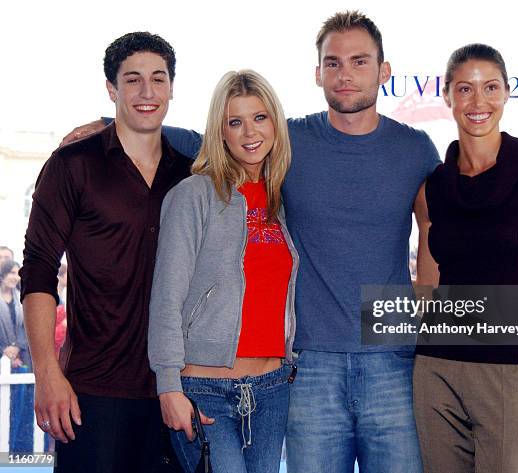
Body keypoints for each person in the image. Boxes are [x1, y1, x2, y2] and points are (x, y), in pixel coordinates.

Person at [63, 11, 440, 472]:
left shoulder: (416, 149)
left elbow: (439, 249)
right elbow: (215, 135)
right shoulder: (291, 140)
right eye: (333, 62)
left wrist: (446, 337)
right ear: (317, 71)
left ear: (384, 70)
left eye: (359, 62)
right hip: (308, 365)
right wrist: (110, 123)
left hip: (386, 360)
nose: (345, 74)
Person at [19, 32, 192, 473]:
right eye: (132, 80)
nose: (147, 92)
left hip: (176, 389)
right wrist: (46, 373)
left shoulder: (190, 174)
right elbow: (38, 270)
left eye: (158, 79)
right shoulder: (72, 165)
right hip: (92, 392)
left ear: (172, 87)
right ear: (112, 89)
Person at [412, 44, 518, 472]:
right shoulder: (433, 186)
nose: (478, 101)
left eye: (490, 87)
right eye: (465, 89)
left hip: (509, 374)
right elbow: (427, 289)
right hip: (435, 371)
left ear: (507, 93)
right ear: (447, 96)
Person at [148, 69, 298, 473]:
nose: (250, 132)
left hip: (271, 390)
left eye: (260, 118)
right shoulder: (193, 195)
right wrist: (168, 387)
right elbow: (166, 297)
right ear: (221, 132)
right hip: (204, 390)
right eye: (235, 121)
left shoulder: (279, 202)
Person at [0, 260, 34, 453]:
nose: (15, 276)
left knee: (19, 407)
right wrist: (4, 350)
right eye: (11, 273)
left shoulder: (21, 298)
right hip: (2, 358)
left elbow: (26, 327)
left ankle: (15, 451)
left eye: (17, 273)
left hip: (20, 359)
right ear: (3, 275)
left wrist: (16, 348)